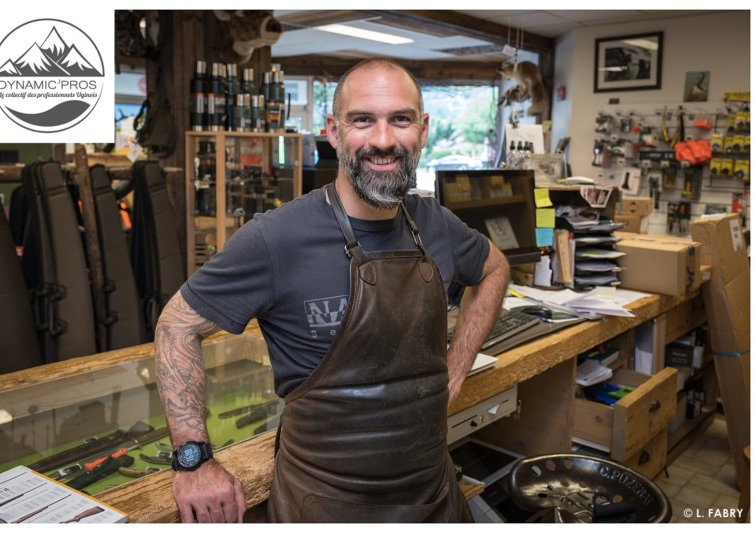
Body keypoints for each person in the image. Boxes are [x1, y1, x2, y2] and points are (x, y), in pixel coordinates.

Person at [154, 57, 510, 523]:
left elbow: (494, 268)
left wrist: (456, 369)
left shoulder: (434, 222)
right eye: (362, 120)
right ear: (333, 131)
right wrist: (193, 459)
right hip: (324, 505)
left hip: (433, 497)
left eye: (399, 119)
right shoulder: (276, 237)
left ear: (423, 130)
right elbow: (176, 325)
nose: (383, 140)